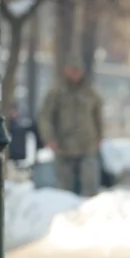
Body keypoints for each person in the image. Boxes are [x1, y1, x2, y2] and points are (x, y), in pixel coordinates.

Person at [39, 61, 105, 196]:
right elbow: (45, 117)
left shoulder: (90, 91)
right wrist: (49, 138)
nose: (75, 74)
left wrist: (100, 137)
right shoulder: (56, 92)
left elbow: (98, 116)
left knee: (90, 186)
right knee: (64, 190)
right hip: (64, 146)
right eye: (72, 70)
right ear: (66, 71)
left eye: (78, 70)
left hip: (87, 144)